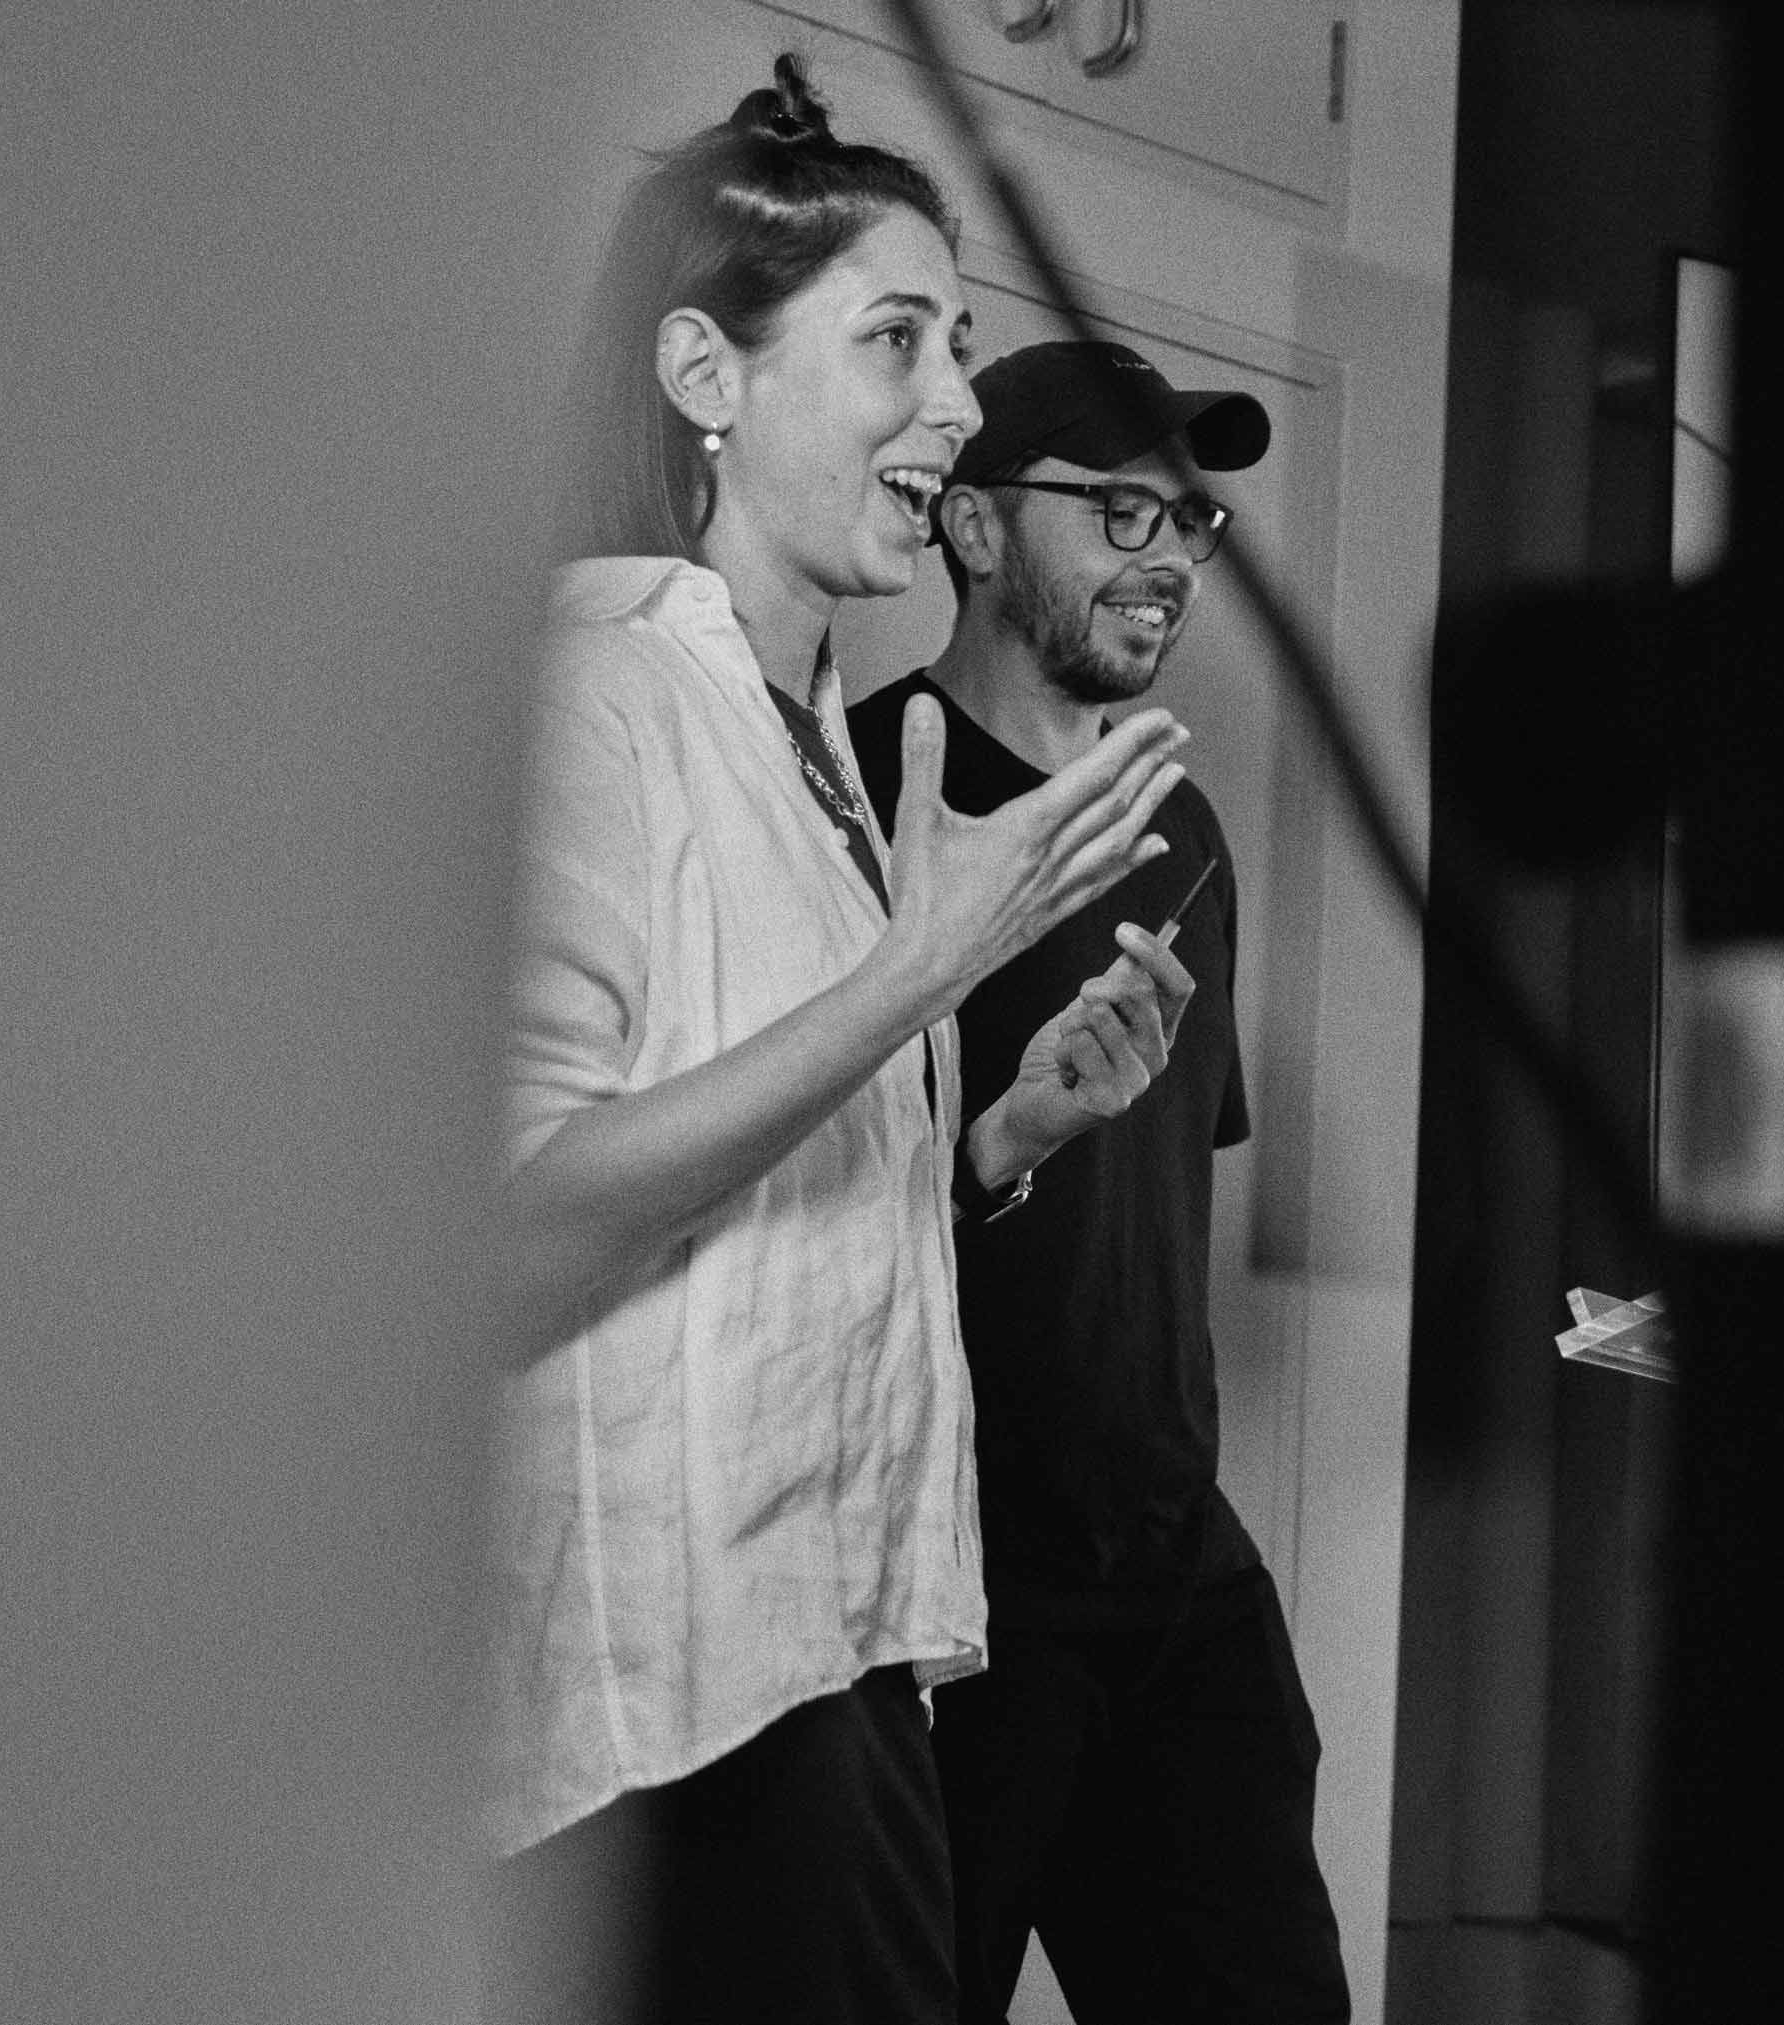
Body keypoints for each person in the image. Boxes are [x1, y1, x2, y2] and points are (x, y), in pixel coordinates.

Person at [491, 63, 1205, 2025]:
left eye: (961, 348)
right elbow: (518, 1223)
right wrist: (917, 970)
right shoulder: (602, 696)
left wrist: (997, 1137)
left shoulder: (804, 750)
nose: (960, 407)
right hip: (691, 1721)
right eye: (899, 339)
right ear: (706, 375)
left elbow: (759, 1208)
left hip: (848, 1663)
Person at [846, 339, 1350, 2022]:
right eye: (1119, 508)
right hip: (950, 1594)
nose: (1169, 555)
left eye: (1191, 521)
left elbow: (1151, 1235)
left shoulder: (1181, 827)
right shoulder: (849, 797)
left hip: (1169, 1572)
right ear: (976, 530)